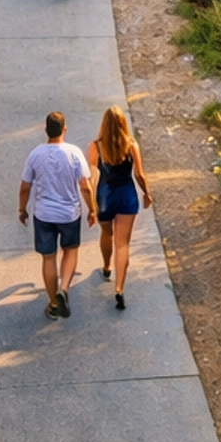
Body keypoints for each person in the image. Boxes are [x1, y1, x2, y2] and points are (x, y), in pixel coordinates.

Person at [18, 112, 94, 320]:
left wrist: (22, 209)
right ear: (65, 129)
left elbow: (25, 187)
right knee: (70, 251)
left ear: (46, 130)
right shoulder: (74, 153)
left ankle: (52, 303)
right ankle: (65, 288)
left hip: (43, 214)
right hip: (69, 214)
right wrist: (93, 209)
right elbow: (86, 186)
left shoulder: (35, 154)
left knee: (48, 257)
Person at [85, 106, 150, 309]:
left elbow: (92, 177)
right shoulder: (131, 145)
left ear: (104, 124)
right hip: (127, 196)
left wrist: (92, 205)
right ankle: (119, 288)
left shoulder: (96, 147)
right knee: (123, 244)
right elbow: (139, 174)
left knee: (106, 234)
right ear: (123, 124)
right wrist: (147, 193)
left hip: (105, 196)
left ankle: (106, 267)